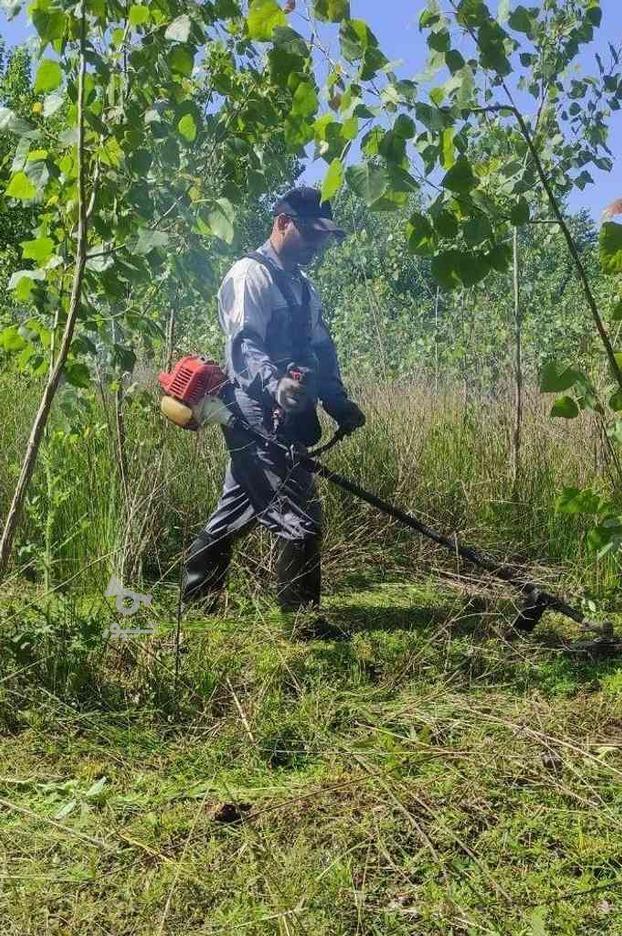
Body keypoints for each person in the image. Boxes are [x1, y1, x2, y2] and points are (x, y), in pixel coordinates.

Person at [182, 187, 365, 633]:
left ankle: (197, 601)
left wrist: (337, 401)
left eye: (324, 237)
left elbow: (322, 348)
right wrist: (276, 386)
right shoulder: (250, 275)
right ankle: (302, 622)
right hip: (255, 412)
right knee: (296, 513)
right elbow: (244, 347)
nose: (318, 245)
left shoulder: (304, 288)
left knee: (238, 506)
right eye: (312, 235)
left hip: (293, 412)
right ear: (284, 223)